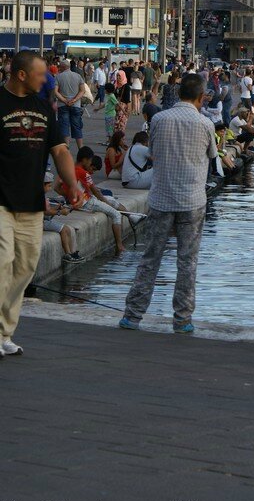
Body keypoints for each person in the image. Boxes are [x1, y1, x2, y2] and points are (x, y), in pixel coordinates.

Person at [119, 74, 218, 333]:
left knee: (150, 257)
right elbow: (212, 157)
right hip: (192, 200)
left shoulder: (159, 120)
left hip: (162, 198)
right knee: (187, 261)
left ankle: (133, 315)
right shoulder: (206, 124)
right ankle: (182, 318)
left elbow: (155, 152)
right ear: (200, 97)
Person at [0, 52, 82, 356]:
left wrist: (71, 183)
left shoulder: (44, 109)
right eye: (39, 75)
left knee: (24, 267)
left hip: (32, 202)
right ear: (21, 75)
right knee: (2, 261)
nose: (46, 79)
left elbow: (59, 150)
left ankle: (4, 333)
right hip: (1, 200)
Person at [57, 147, 126, 256]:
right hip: (87, 202)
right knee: (116, 214)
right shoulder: (84, 173)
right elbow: (96, 193)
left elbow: (56, 187)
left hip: (79, 201)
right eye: (89, 160)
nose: (90, 163)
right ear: (84, 160)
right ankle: (119, 246)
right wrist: (106, 204)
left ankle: (129, 217)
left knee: (111, 200)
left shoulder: (67, 170)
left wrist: (69, 196)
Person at [43, 172, 82, 264]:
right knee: (64, 229)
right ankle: (67, 254)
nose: (50, 188)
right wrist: (59, 212)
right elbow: (45, 211)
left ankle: (72, 253)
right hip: (41, 221)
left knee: (68, 229)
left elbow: (47, 209)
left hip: (44, 219)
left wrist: (57, 207)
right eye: (49, 186)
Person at [55, 59, 85, 148]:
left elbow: (55, 92)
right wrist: (74, 100)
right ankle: (81, 148)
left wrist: (64, 100)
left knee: (64, 127)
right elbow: (82, 90)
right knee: (77, 126)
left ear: (62, 67)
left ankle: (66, 148)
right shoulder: (78, 76)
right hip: (75, 105)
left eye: (60, 66)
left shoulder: (58, 77)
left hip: (62, 105)